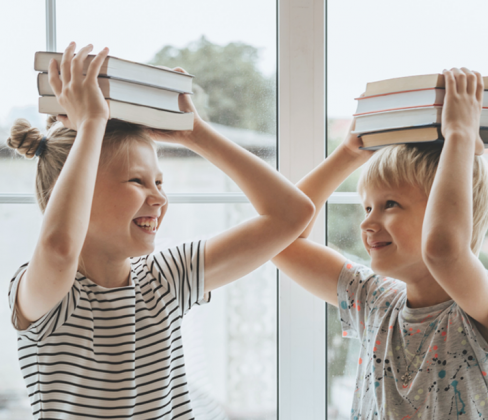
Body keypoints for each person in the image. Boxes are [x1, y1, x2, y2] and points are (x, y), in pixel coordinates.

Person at [6, 42, 314, 420]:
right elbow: (58, 249)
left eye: (160, 182)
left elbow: (292, 214)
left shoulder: (165, 278)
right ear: (76, 192)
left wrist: (195, 133)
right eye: (138, 181)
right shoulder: (49, 297)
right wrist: (90, 124)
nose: (159, 198)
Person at [273, 68, 488, 419]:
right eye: (367, 207)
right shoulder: (375, 300)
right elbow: (278, 239)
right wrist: (347, 154)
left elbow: (444, 251)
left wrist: (461, 136)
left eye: (390, 204)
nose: (366, 222)